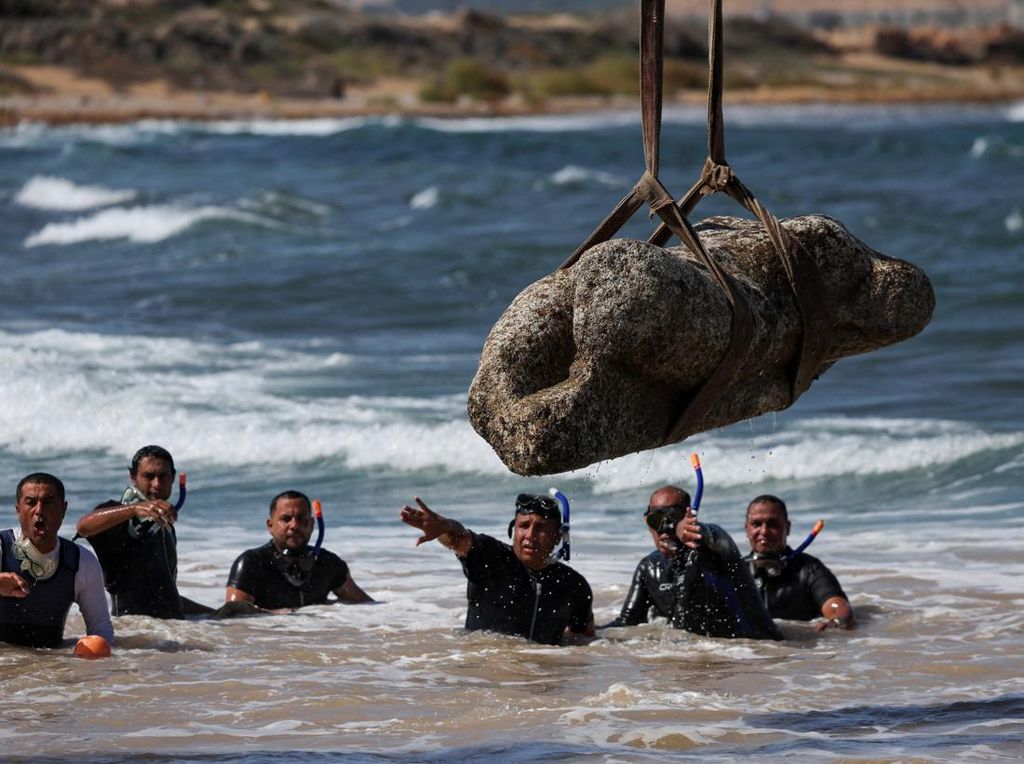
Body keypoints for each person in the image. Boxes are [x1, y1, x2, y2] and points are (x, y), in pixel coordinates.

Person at [400, 494, 595, 646]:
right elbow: (459, 539)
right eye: (524, 526)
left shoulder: (572, 584)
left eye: (541, 528)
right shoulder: (492, 557)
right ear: (513, 529)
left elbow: (582, 637)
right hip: (487, 674)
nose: (530, 535)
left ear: (558, 536)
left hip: (541, 677)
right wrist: (445, 527)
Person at [604, 485, 781, 640]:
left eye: (673, 519)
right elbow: (627, 623)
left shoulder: (717, 555)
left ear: (689, 516)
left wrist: (691, 529)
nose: (666, 529)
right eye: (656, 520)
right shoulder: (650, 567)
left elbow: (717, 536)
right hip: (699, 658)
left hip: (754, 658)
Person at [76, 445, 211, 619]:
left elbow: (163, 597)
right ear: (133, 477)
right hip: (135, 633)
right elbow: (84, 526)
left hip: (170, 631)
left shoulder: (163, 525)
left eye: (163, 476)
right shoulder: (120, 518)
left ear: (173, 479)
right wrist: (136, 508)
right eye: (149, 476)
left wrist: (217, 614)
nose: (157, 484)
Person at [1, 473, 113, 648]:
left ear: (63, 509)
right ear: (18, 510)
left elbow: (101, 629)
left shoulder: (81, 562)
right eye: (30, 502)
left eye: (48, 502)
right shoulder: (1, 547)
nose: (39, 510)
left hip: (54, 667)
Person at [224, 490, 373, 612]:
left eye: (302, 519)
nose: (294, 525)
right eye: (286, 519)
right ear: (270, 525)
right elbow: (233, 616)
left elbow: (366, 606)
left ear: (312, 524)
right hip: (265, 641)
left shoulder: (328, 563)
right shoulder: (251, 563)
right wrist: (275, 616)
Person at [743, 494, 854, 630]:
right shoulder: (735, 572)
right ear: (747, 528)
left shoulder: (809, 569)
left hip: (802, 646)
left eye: (773, 524)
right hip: (746, 650)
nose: (764, 531)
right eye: (756, 524)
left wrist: (835, 622)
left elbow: (837, 607)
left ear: (787, 527)